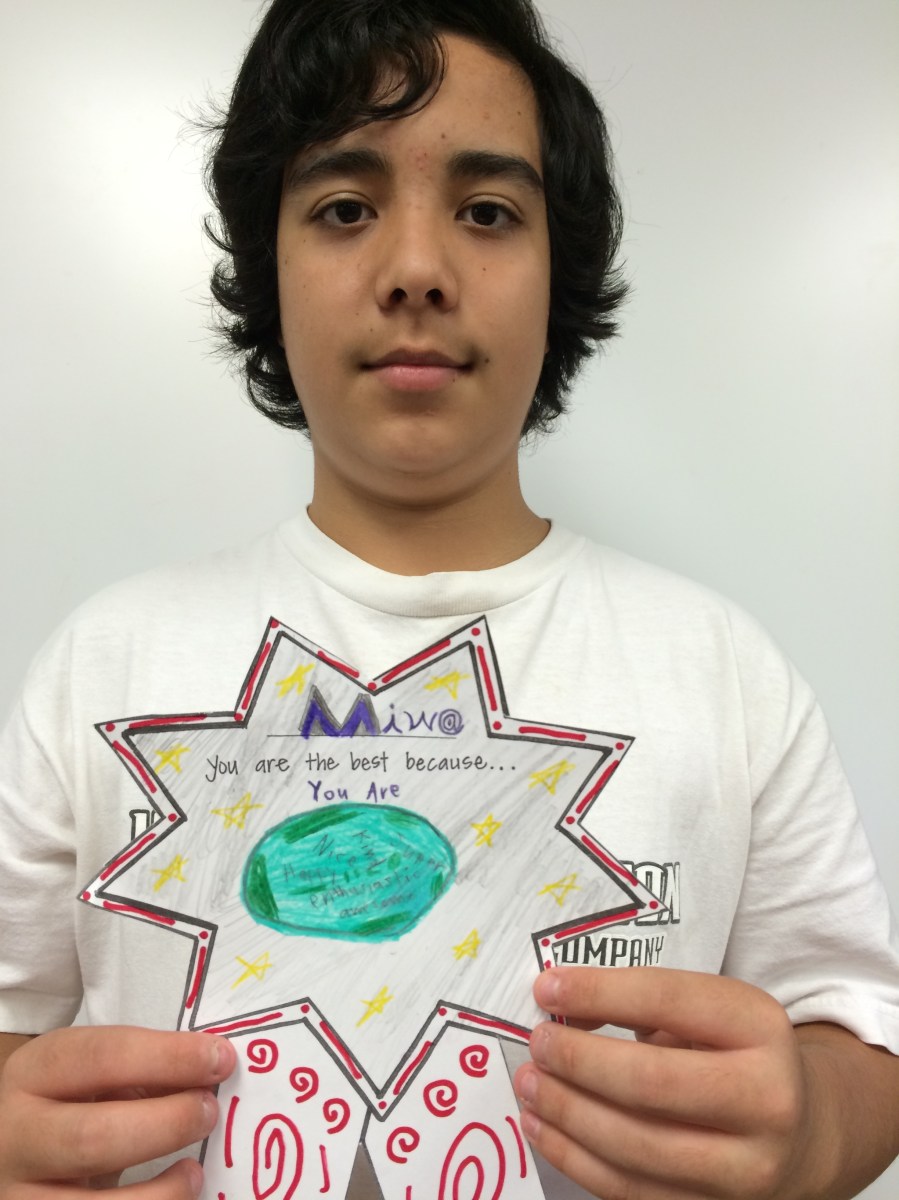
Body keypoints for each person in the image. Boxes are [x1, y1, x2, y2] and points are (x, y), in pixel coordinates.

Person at [1, 0, 897, 1197]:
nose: (416, 271)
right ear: (269, 264)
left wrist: (813, 1132)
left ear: (555, 269)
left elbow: (859, 1030)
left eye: (485, 212)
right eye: (343, 207)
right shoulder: (103, 663)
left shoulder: (719, 670)